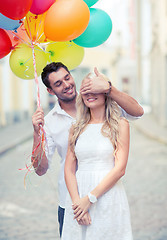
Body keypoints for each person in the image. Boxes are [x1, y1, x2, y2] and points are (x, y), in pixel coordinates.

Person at [31, 62, 143, 237]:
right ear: (50, 91)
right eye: (58, 83)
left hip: (106, 195)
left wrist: (108, 88)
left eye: (67, 78)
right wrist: (37, 133)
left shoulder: (113, 116)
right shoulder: (55, 123)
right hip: (71, 200)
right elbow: (40, 169)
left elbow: (138, 111)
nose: (67, 84)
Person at [61, 76, 132, 239]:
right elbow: (69, 169)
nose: (89, 94)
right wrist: (77, 203)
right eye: (85, 90)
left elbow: (120, 169)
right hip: (78, 198)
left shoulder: (120, 125)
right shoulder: (76, 128)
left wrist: (90, 199)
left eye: (94, 90)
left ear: (106, 93)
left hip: (107, 195)